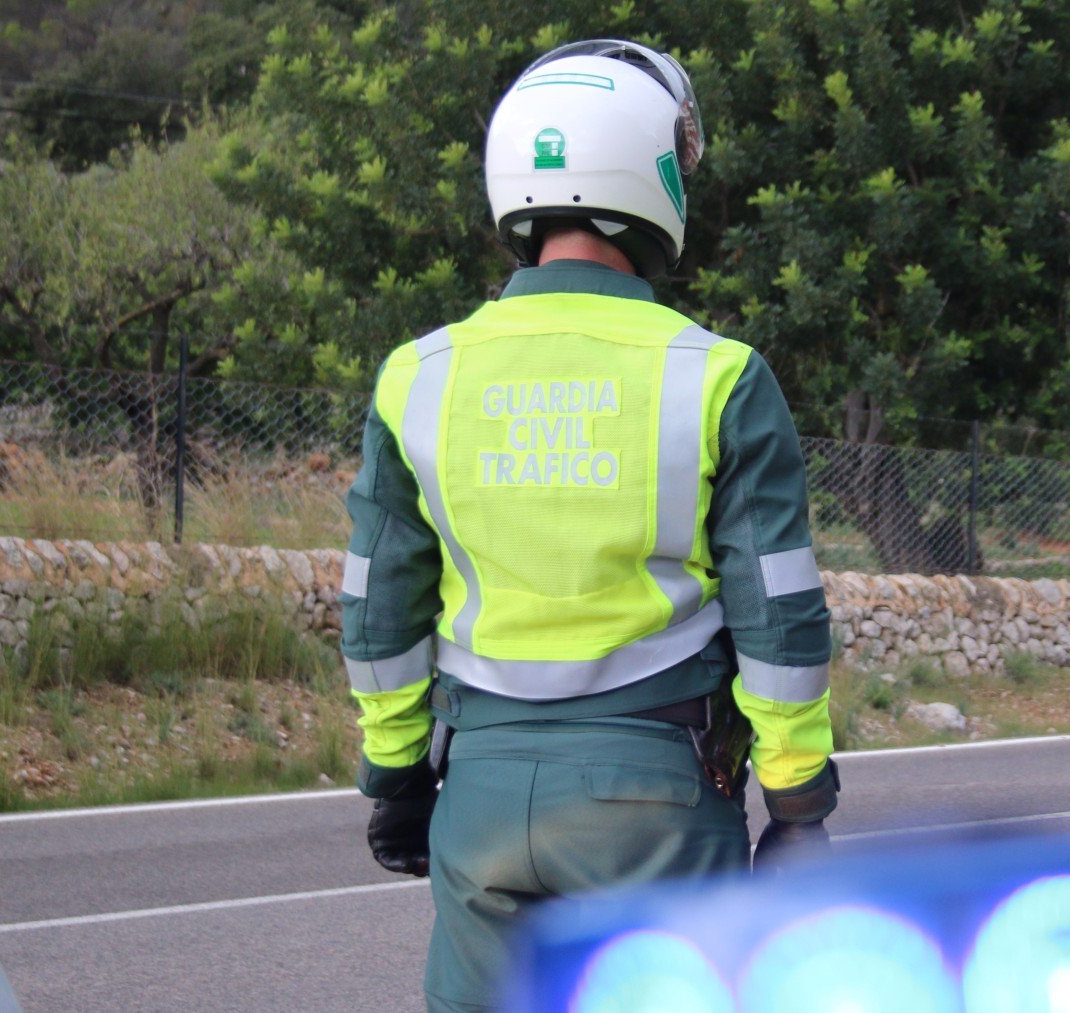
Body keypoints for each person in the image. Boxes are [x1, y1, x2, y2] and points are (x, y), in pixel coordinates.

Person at [337, 39, 838, 1012]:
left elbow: (378, 607)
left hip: (479, 798)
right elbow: (779, 616)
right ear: (651, 178)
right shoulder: (718, 375)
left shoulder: (419, 376)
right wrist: (798, 801)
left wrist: (394, 773)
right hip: (656, 803)